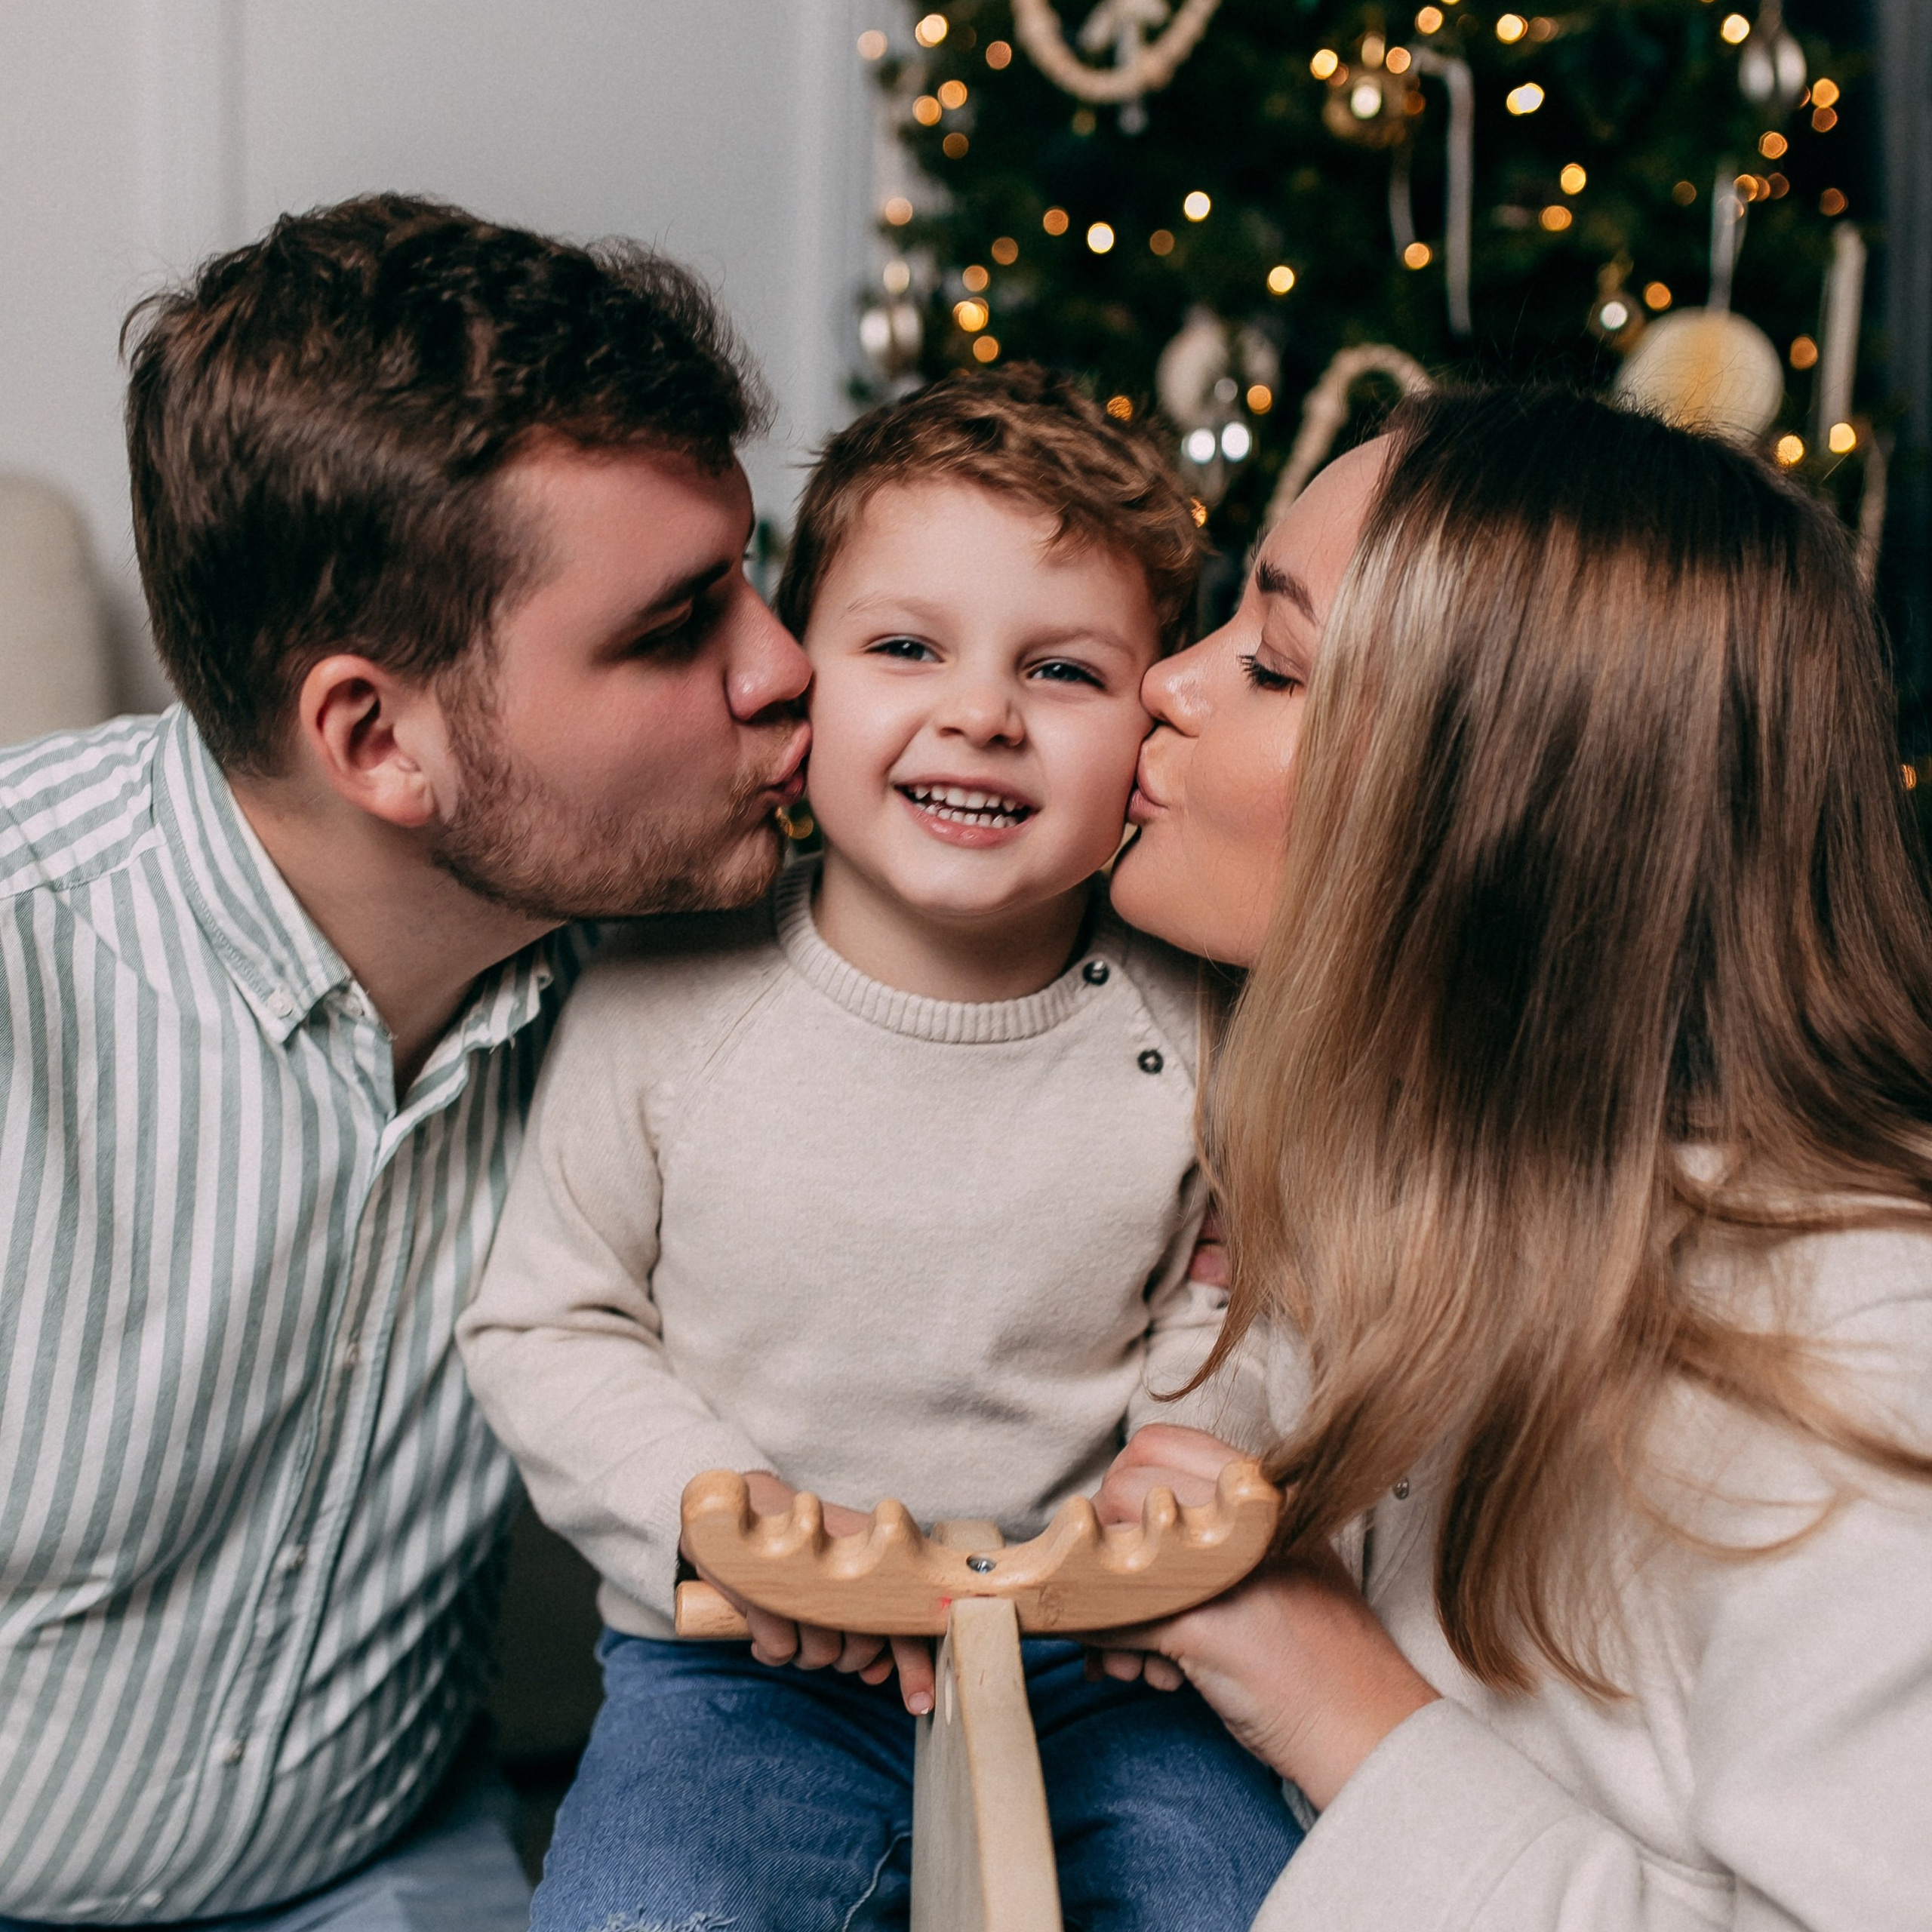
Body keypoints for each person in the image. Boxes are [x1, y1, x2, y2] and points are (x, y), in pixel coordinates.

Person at [0, 195, 811, 1929]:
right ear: (377, 736)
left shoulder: (693, 940)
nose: (783, 667)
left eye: (755, 574)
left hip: (379, 1865)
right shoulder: (22, 971)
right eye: (674, 630)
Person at [459, 365, 1303, 1932]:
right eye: (905, 648)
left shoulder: (1196, 1017)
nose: (976, 712)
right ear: (799, 679)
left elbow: (1235, 1290)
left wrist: (1175, 1471)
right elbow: (545, 1318)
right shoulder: (665, 991)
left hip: (1099, 1652)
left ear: (1149, 720)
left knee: (1231, 1895)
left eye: (1058, 669)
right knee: (646, 1910)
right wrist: (722, 1511)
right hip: (740, 1661)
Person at [1091, 385, 1932, 1930]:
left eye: (1273, 662)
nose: (1164, 681)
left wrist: (1348, 1706)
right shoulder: (1393, 1188)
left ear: (1498, 815)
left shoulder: (1861, 1350)